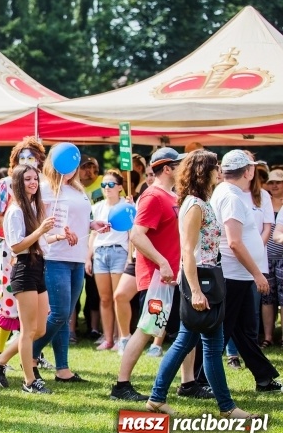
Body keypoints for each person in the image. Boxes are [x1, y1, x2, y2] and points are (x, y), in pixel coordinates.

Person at [146, 149, 258, 419]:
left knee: (200, 342)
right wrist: (195, 290)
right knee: (193, 342)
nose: (219, 172)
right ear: (203, 172)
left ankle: (162, 398)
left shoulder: (200, 202)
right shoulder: (195, 205)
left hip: (207, 277)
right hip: (201, 280)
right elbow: (188, 251)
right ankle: (225, 407)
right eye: (214, 167)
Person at [110, 147, 208, 401]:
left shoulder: (172, 196)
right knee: (146, 329)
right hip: (158, 279)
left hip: (173, 277)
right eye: (178, 164)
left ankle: (188, 383)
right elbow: (137, 235)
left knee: (188, 328)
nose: (183, 169)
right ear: (167, 168)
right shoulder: (153, 196)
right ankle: (121, 386)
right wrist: (163, 263)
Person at [210, 150, 282, 392]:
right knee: (224, 332)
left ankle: (264, 377)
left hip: (236, 274)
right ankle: (197, 381)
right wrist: (257, 273)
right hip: (234, 275)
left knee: (241, 331)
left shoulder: (228, 192)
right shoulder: (232, 197)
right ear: (249, 171)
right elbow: (234, 242)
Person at [33, 144, 105, 384]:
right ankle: (28, 352)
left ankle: (62, 369)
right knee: (61, 313)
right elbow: (36, 223)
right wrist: (54, 234)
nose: (73, 168)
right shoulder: (44, 189)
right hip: (54, 255)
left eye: (76, 164)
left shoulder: (77, 189)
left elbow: (81, 219)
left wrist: (93, 225)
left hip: (77, 257)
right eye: (70, 164)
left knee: (64, 316)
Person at [0, 164, 56, 393]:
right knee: (27, 330)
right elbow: (16, 245)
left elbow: (38, 243)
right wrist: (40, 230)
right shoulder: (15, 211)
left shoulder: (32, 210)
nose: (33, 183)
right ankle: (29, 382)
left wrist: (57, 236)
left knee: (40, 328)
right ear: (18, 182)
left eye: (35, 178)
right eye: (27, 179)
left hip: (37, 267)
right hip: (24, 269)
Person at [86, 170, 130, 351]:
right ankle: (108, 337)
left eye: (111, 184)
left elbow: (131, 234)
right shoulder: (98, 207)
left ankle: (122, 337)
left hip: (119, 251)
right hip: (100, 253)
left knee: (118, 297)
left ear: (120, 187)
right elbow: (93, 234)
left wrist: (129, 257)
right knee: (104, 299)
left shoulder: (126, 206)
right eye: (104, 185)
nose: (106, 188)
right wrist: (88, 257)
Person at [265, 169, 283, 350]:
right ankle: (268, 337)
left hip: (282, 257)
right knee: (267, 299)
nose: (274, 185)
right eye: (271, 182)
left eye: (278, 182)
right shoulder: (264, 202)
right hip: (266, 257)